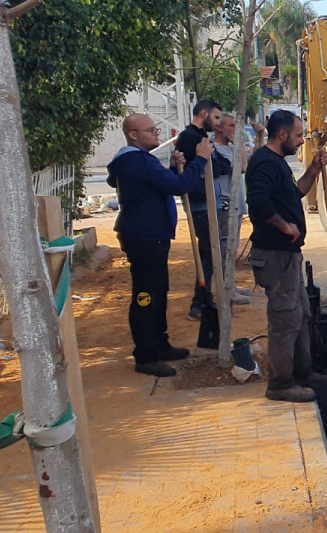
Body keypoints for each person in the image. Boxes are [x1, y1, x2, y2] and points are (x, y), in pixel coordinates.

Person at [107, 114, 213, 376]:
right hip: (144, 237)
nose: (157, 134)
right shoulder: (135, 160)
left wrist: (169, 168)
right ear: (133, 134)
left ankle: (159, 343)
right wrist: (199, 159)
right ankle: (146, 354)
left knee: (158, 290)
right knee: (146, 296)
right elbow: (179, 186)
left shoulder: (136, 162)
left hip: (150, 235)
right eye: (151, 130)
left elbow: (154, 185)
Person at [246, 110, 327, 403]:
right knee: (284, 319)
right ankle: (280, 384)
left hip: (288, 255)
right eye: (297, 135)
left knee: (302, 314)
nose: (299, 141)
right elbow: (257, 202)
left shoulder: (278, 163)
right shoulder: (264, 163)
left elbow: (295, 195)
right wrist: (284, 225)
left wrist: (314, 169)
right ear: (281, 134)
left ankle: (302, 372)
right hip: (275, 255)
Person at [175, 99, 225, 351]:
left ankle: (204, 297)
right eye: (215, 118)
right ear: (203, 114)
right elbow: (197, 171)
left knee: (211, 252)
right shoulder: (189, 137)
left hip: (208, 203)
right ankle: (199, 301)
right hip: (200, 205)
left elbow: (217, 169)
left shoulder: (200, 137)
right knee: (207, 253)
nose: (217, 123)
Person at [213, 113, 264, 306]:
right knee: (226, 248)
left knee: (231, 248)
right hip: (226, 203)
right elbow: (242, 167)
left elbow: (252, 164)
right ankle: (226, 291)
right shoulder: (218, 150)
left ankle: (230, 286)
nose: (235, 131)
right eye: (232, 126)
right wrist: (241, 141)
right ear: (220, 128)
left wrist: (259, 138)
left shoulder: (230, 148)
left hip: (236, 204)